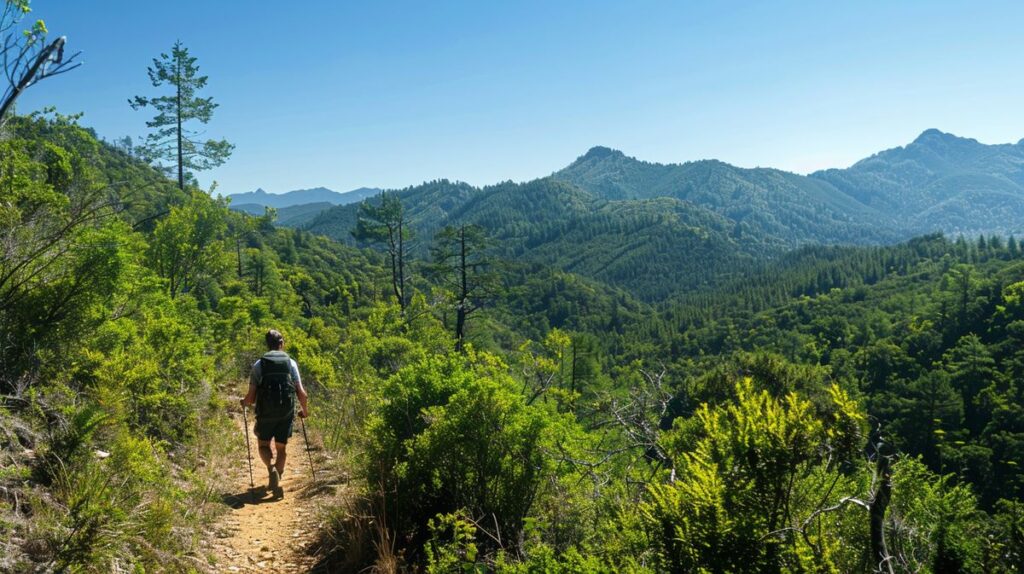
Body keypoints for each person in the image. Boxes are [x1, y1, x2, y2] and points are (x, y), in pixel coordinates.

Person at [240, 329, 309, 492]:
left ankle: (271, 469)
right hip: (286, 411)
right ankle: (278, 473)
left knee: (263, 445)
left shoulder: (259, 364)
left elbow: (250, 398)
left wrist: (243, 402)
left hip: (265, 413)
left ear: (267, 345)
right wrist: (304, 411)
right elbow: (302, 393)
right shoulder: (291, 363)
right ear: (282, 344)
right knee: (281, 448)